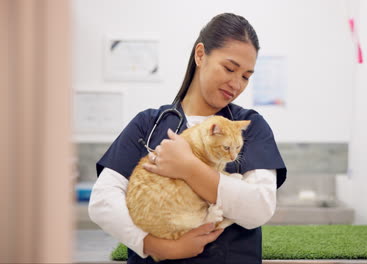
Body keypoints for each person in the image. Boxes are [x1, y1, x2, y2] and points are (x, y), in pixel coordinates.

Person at [89, 13, 287, 264]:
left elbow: (259, 208)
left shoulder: (250, 126)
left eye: (246, 76)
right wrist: (154, 246)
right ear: (201, 55)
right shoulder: (148, 124)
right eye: (229, 68)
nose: (236, 84)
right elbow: (102, 202)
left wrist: (188, 168)